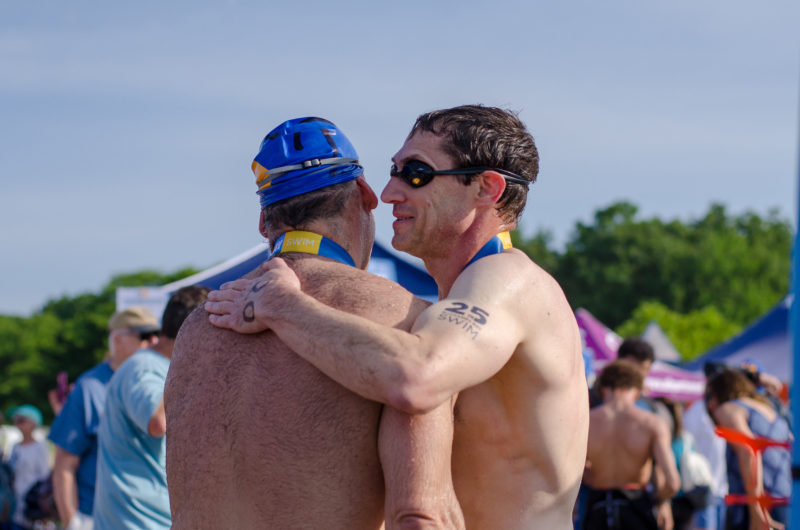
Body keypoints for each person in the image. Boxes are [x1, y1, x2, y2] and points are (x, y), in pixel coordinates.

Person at [206, 105, 589, 528]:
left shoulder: (509, 280)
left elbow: (416, 377)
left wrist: (284, 306)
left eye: (416, 173)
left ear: (486, 189)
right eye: (393, 169)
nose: (386, 193)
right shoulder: (458, 299)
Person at [166, 117, 463, 529]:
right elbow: (420, 516)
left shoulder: (199, 326)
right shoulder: (398, 316)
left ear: (264, 222)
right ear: (363, 194)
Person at [93, 287, 208, 530]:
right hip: (139, 522)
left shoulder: (152, 365)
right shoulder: (143, 366)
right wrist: (192, 365)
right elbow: (158, 422)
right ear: (196, 330)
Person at [48, 306, 159, 530]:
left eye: (157, 335)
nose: (153, 342)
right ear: (117, 339)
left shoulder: (160, 379)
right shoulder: (89, 388)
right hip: (99, 519)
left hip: (153, 519)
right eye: (144, 336)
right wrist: (73, 522)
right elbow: (64, 464)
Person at [582, 361, 680, 530]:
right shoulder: (652, 423)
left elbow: (571, 472)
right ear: (637, 391)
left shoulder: (584, 422)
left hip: (598, 508)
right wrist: (659, 500)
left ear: (604, 388)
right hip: (636, 506)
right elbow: (673, 483)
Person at [704, 369, 791, 530]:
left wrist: (756, 510)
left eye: (710, 396)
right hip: (785, 499)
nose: (709, 404)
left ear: (722, 391)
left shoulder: (729, 409)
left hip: (753, 504)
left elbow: (749, 451)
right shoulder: (769, 411)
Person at [7, 406, 50, 530]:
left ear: (33, 423)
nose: (17, 424)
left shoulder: (40, 447)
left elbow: (43, 477)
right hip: (15, 504)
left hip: (32, 505)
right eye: (16, 421)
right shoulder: (15, 447)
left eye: (21, 420)